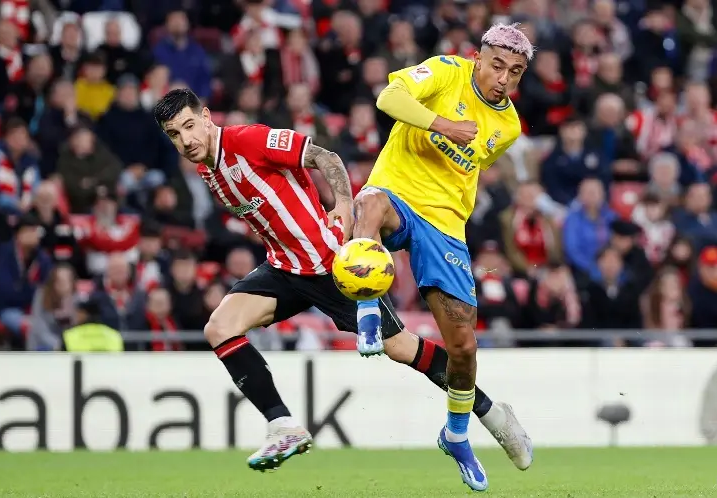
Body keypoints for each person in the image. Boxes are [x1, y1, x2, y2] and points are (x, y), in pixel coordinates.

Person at [152, 88, 531, 475]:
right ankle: (283, 426)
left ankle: (492, 414)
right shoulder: (208, 169)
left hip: (330, 264)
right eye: (174, 135)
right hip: (285, 267)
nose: (186, 140)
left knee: (401, 348)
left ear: (207, 117)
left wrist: (345, 204)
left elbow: (325, 157)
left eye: (188, 126)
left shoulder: (247, 139)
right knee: (219, 327)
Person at [350, 23, 535, 491]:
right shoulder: (446, 71)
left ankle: (456, 435)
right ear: (478, 57)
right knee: (367, 204)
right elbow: (388, 99)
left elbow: (468, 170)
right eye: (496, 65)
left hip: (447, 225)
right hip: (396, 192)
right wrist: (443, 125)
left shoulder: (508, 125)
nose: (503, 79)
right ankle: (367, 310)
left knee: (464, 348)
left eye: (514, 72)